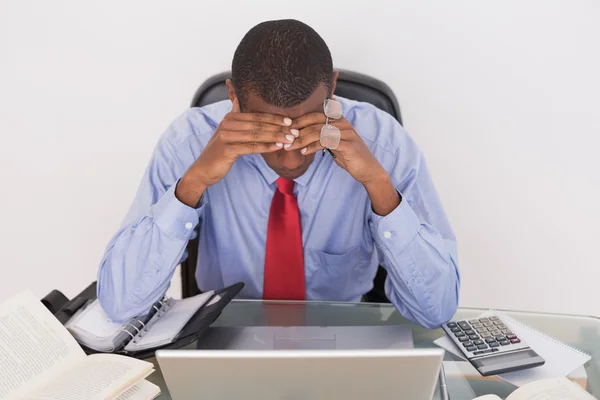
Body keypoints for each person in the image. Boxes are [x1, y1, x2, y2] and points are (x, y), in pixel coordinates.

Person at [97, 19, 460, 328]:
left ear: (331, 88)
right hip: (225, 334)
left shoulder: (385, 145)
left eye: (305, 125)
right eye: (269, 129)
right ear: (233, 97)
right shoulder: (188, 142)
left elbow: (435, 311)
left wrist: (379, 186)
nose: (290, 160)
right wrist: (192, 184)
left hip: (344, 336)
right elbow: (121, 305)